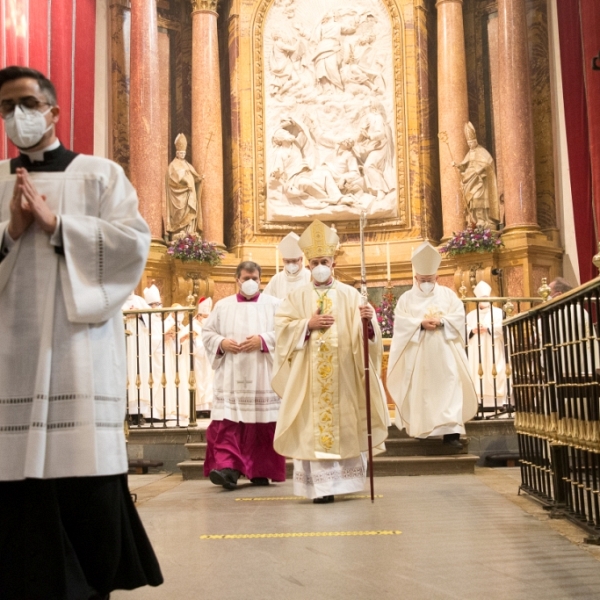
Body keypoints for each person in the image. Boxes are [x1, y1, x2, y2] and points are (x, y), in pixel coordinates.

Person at [0, 66, 162, 599]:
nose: (17, 116)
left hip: (78, 355)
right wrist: (10, 232)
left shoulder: (101, 175)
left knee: (84, 493)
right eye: (6, 108)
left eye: (26, 103)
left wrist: (57, 226)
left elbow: (132, 247)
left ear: (53, 111)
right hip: (12, 357)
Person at [272, 219, 389, 504]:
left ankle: (340, 483)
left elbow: (369, 339)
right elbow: (281, 329)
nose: (320, 266)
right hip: (308, 377)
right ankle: (320, 488)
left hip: (344, 376)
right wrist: (306, 324)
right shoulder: (296, 295)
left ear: (333, 263)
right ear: (308, 266)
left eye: (325, 260)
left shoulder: (351, 295)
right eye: (315, 262)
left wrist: (368, 321)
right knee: (312, 427)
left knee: (344, 424)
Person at [202, 261, 285, 489]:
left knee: (262, 423)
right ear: (236, 280)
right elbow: (207, 332)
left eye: (255, 279)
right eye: (246, 278)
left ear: (261, 280)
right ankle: (228, 469)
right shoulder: (223, 306)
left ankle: (260, 469)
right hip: (232, 373)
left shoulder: (275, 305)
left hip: (261, 373)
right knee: (229, 422)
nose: (250, 282)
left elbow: (286, 333)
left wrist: (263, 340)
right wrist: (221, 342)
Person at [386, 241, 477, 449]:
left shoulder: (448, 295)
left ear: (437, 277)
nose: (426, 283)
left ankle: (451, 434)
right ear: (416, 277)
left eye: (429, 279)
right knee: (423, 391)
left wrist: (443, 322)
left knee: (450, 387)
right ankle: (422, 430)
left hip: (445, 352)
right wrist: (419, 324)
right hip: (420, 354)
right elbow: (400, 322)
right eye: (422, 279)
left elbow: (458, 315)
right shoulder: (406, 299)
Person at [466, 281, 508, 413]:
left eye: (486, 298)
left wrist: (488, 328)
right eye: (481, 299)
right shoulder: (471, 315)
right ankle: (479, 401)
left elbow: (504, 327)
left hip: (493, 348)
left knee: (495, 370)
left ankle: (500, 401)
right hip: (476, 350)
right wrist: (472, 331)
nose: (484, 301)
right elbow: (464, 329)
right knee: (477, 372)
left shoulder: (499, 312)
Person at [453, 122, 499, 228]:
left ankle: (483, 219)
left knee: (479, 199)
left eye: (471, 143)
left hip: (480, 180)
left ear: (475, 141)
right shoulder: (470, 153)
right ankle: (476, 220)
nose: (470, 145)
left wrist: (481, 169)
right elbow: (464, 165)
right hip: (470, 178)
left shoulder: (482, 151)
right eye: (468, 143)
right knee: (473, 200)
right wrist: (456, 165)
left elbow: (489, 162)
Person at [180, 297, 214, 418]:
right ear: (198, 315)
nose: (206, 319)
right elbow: (182, 341)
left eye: (208, 317)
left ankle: (209, 408)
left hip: (209, 359)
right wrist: (190, 339)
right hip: (196, 359)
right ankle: (198, 408)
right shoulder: (192, 325)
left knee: (209, 381)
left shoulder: (211, 326)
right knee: (199, 381)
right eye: (204, 317)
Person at [165, 133, 203, 239]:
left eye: (184, 153)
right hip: (180, 194)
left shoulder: (187, 164)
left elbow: (193, 175)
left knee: (190, 211)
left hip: (190, 193)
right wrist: (185, 181)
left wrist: (198, 179)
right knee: (181, 211)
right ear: (177, 153)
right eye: (180, 153)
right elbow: (174, 177)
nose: (182, 155)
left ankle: (189, 231)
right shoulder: (173, 164)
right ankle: (179, 230)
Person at [123, 291, 152, 423]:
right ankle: (124, 412)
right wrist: (125, 315)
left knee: (139, 370)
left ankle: (137, 413)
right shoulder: (117, 299)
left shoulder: (140, 301)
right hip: (123, 342)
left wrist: (140, 314)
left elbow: (152, 319)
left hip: (139, 342)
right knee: (125, 371)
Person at [263, 232, 311, 299]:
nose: (291, 264)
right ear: (283, 260)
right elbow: (267, 301)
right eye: (287, 261)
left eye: (294, 261)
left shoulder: (310, 277)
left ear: (301, 259)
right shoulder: (276, 279)